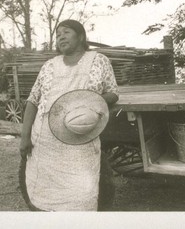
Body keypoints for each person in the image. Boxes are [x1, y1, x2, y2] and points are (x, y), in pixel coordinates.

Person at [19, 19, 119, 211]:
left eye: (66, 32)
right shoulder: (49, 65)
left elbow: (113, 93)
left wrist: (87, 102)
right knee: (45, 196)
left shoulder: (98, 60)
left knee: (82, 193)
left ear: (81, 36)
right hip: (45, 143)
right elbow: (32, 100)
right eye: (57, 35)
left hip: (80, 140)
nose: (60, 37)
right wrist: (24, 136)